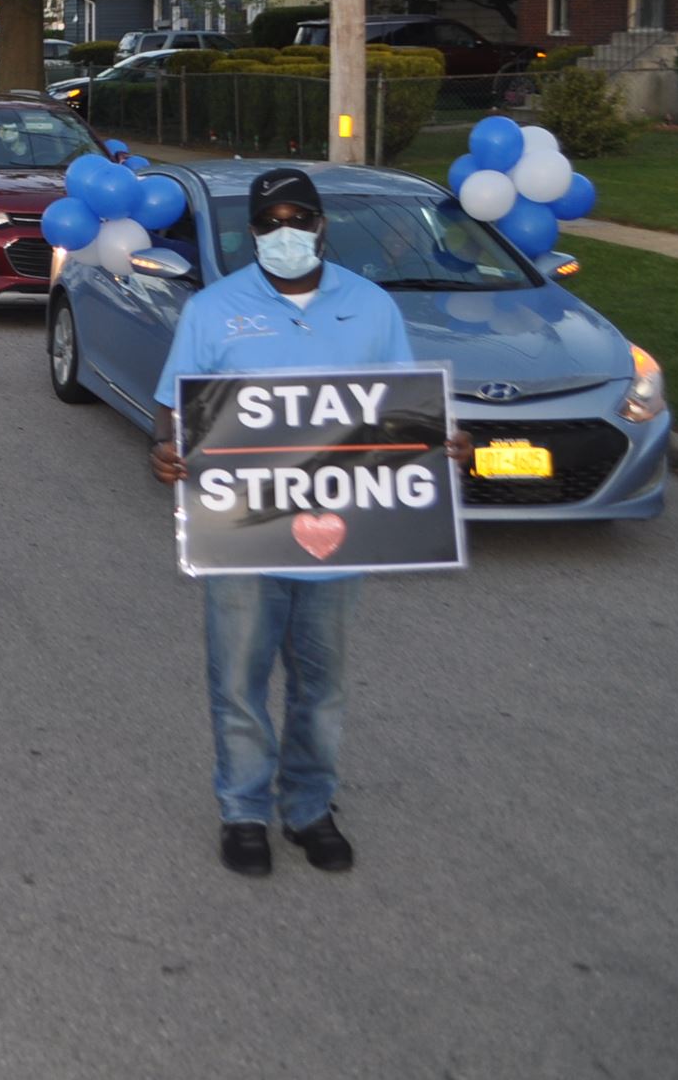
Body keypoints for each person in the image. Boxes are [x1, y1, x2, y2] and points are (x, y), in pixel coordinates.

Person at [148, 167, 469, 879]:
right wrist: (166, 446)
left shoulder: (373, 306)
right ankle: (244, 810)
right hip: (241, 535)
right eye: (270, 221)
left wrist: (439, 441)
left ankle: (309, 806)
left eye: (299, 217)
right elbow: (174, 401)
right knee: (237, 680)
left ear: (321, 224)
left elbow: (403, 407)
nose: (284, 232)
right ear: (252, 231)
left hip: (338, 537)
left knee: (321, 685)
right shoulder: (214, 309)